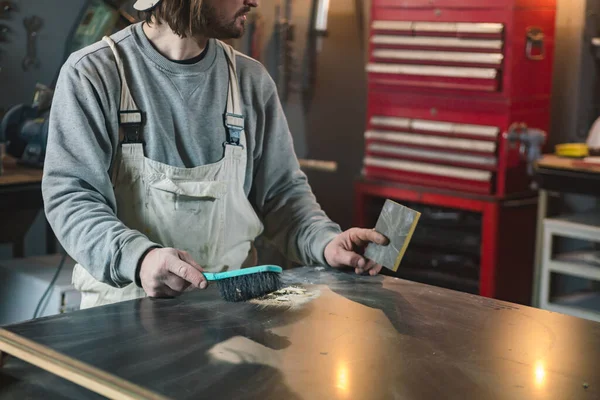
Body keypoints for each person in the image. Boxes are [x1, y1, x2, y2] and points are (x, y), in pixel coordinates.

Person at [42, 0, 388, 309]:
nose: (253, 1)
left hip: (232, 317)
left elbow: (282, 198)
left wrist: (326, 242)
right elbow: (72, 198)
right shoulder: (95, 73)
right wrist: (139, 258)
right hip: (122, 311)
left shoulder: (251, 81)